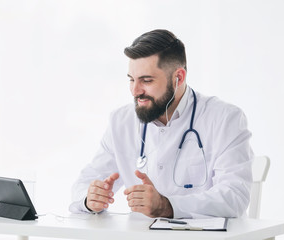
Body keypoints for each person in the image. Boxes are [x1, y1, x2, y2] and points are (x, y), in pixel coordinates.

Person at [69, 29, 253, 218]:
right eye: (131, 80)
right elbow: (85, 183)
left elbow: (235, 196)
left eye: (146, 80)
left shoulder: (224, 119)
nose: (135, 91)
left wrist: (167, 206)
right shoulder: (121, 121)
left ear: (178, 78)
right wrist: (90, 199)